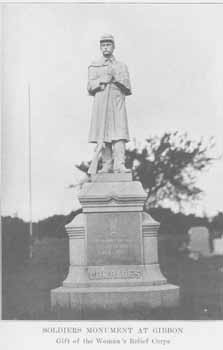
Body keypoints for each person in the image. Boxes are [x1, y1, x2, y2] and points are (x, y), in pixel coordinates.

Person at [87, 34, 132, 174]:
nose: (106, 47)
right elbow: (89, 86)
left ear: (113, 46)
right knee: (103, 134)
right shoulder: (94, 65)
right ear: (100, 48)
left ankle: (120, 164)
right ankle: (106, 164)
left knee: (119, 133)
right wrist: (101, 81)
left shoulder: (121, 66)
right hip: (101, 103)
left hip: (117, 101)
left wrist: (115, 77)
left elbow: (128, 86)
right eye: (103, 45)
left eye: (109, 44)